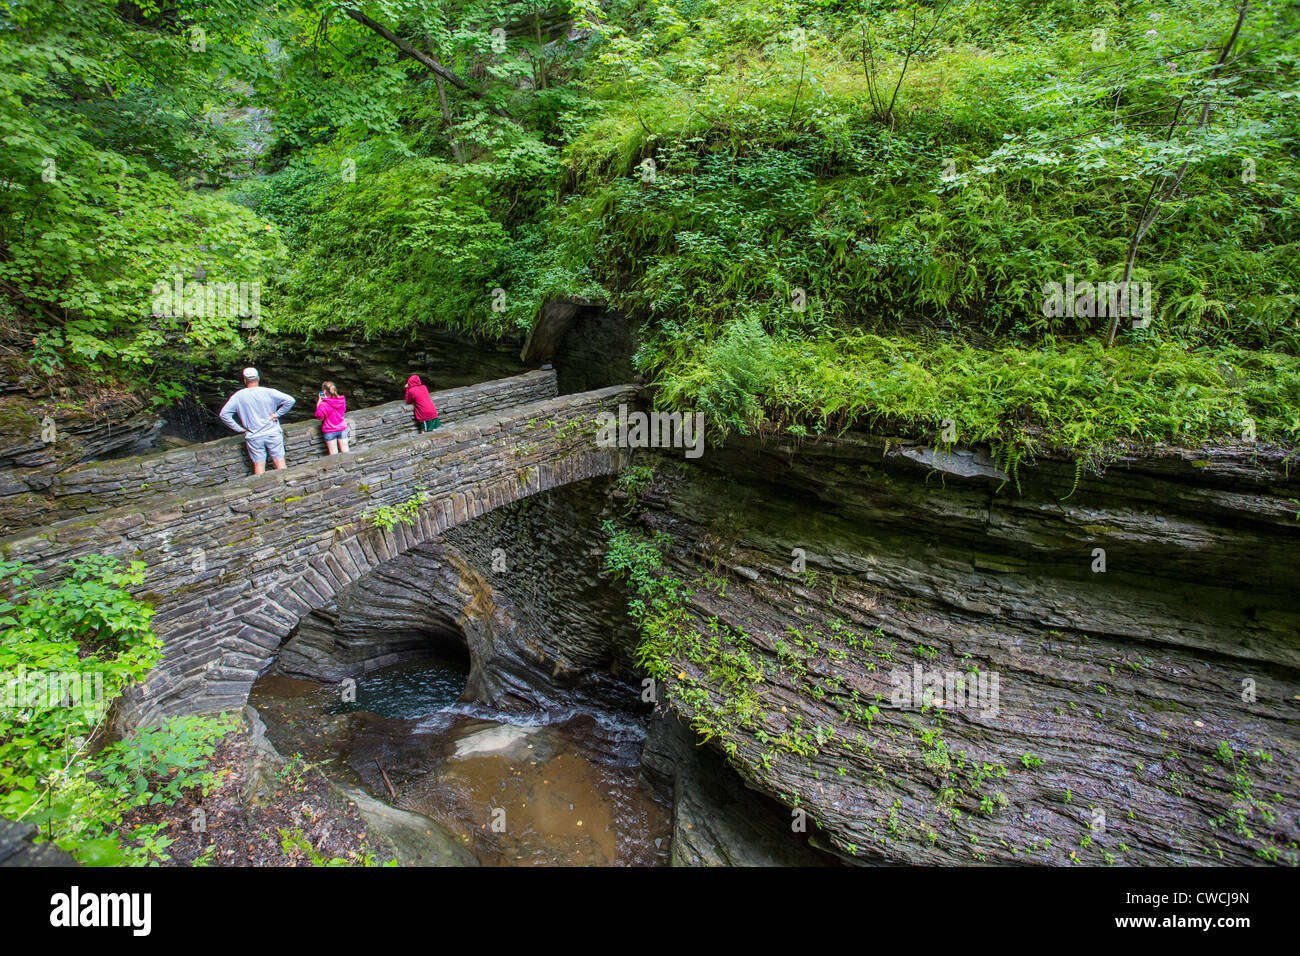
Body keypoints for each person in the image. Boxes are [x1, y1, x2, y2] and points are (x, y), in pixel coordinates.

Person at [218, 367, 295, 473]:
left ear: (244, 380)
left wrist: (239, 429)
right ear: (258, 378)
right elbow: (290, 400)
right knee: (280, 462)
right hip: (272, 432)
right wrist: (277, 414)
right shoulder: (269, 392)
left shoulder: (238, 396)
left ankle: (262, 488)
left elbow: (224, 414)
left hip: (253, 435)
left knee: (259, 465)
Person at [314, 381, 350, 454]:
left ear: (324, 391)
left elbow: (319, 416)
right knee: (345, 452)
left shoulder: (324, 404)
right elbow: (343, 410)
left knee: (334, 454)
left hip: (330, 430)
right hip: (342, 428)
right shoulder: (341, 400)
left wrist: (319, 401)